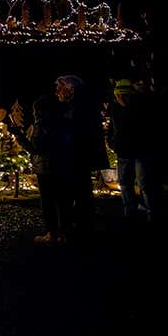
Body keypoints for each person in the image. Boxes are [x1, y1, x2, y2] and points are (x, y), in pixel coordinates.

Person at [10, 94, 70, 244]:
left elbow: (35, 148)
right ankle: (64, 232)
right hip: (62, 165)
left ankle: (52, 233)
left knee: (48, 201)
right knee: (62, 200)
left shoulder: (41, 125)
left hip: (46, 167)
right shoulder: (63, 122)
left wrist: (19, 135)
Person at [56, 75, 107, 241]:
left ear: (70, 89)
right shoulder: (82, 104)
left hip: (76, 156)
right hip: (79, 156)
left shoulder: (77, 107)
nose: (57, 91)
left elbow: (75, 132)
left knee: (76, 191)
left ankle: (77, 227)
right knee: (82, 191)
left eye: (60, 87)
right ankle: (81, 224)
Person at [108, 78, 161, 224]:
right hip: (123, 151)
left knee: (145, 183)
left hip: (141, 151)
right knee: (125, 182)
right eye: (118, 95)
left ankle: (152, 212)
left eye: (124, 95)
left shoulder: (141, 109)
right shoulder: (115, 109)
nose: (121, 98)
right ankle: (130, 211)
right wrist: (112, 141)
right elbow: (113, 127)